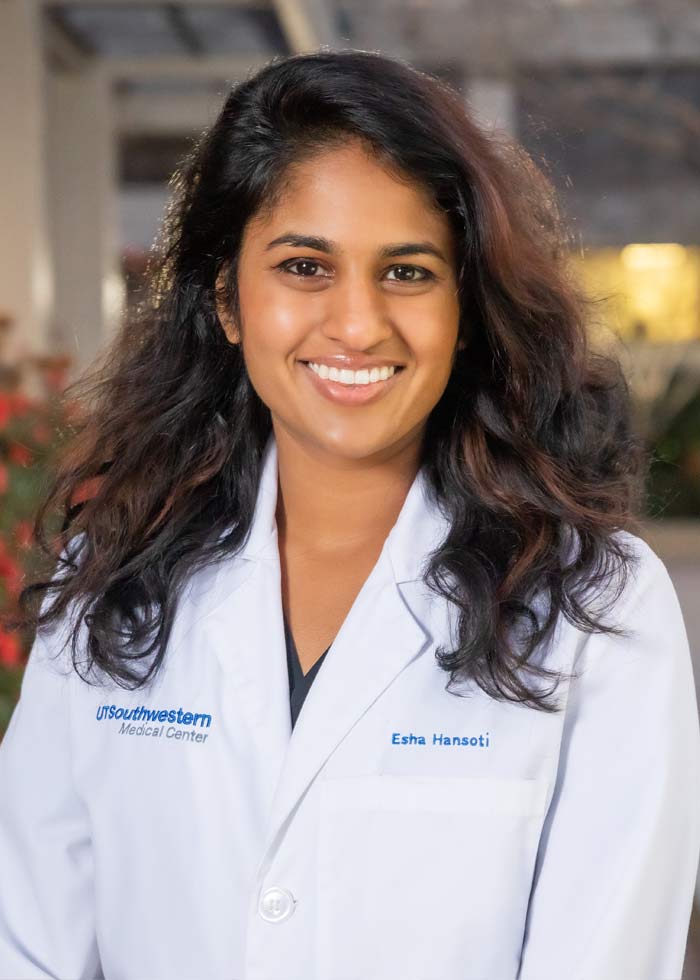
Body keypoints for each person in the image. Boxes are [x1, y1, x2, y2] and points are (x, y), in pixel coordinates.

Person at [0, 49, 698, 980]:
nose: (359, 324)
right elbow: (27, 941)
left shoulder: (593, 607)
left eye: (407, 273)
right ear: (228, 299)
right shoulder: (113, 577)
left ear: (467, 308)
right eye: (304, 266)